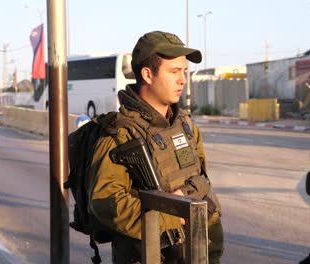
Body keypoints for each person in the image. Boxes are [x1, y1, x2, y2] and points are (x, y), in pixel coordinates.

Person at [88, 31, 224, 264]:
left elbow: (201, 177)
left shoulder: (186, 125)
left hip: (202, 250)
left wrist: (188, 198)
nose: (182, 79)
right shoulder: (120, 134)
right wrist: (172, 214)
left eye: (184, 71)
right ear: (148, 74)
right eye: (173, 72)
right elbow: (106, 201)